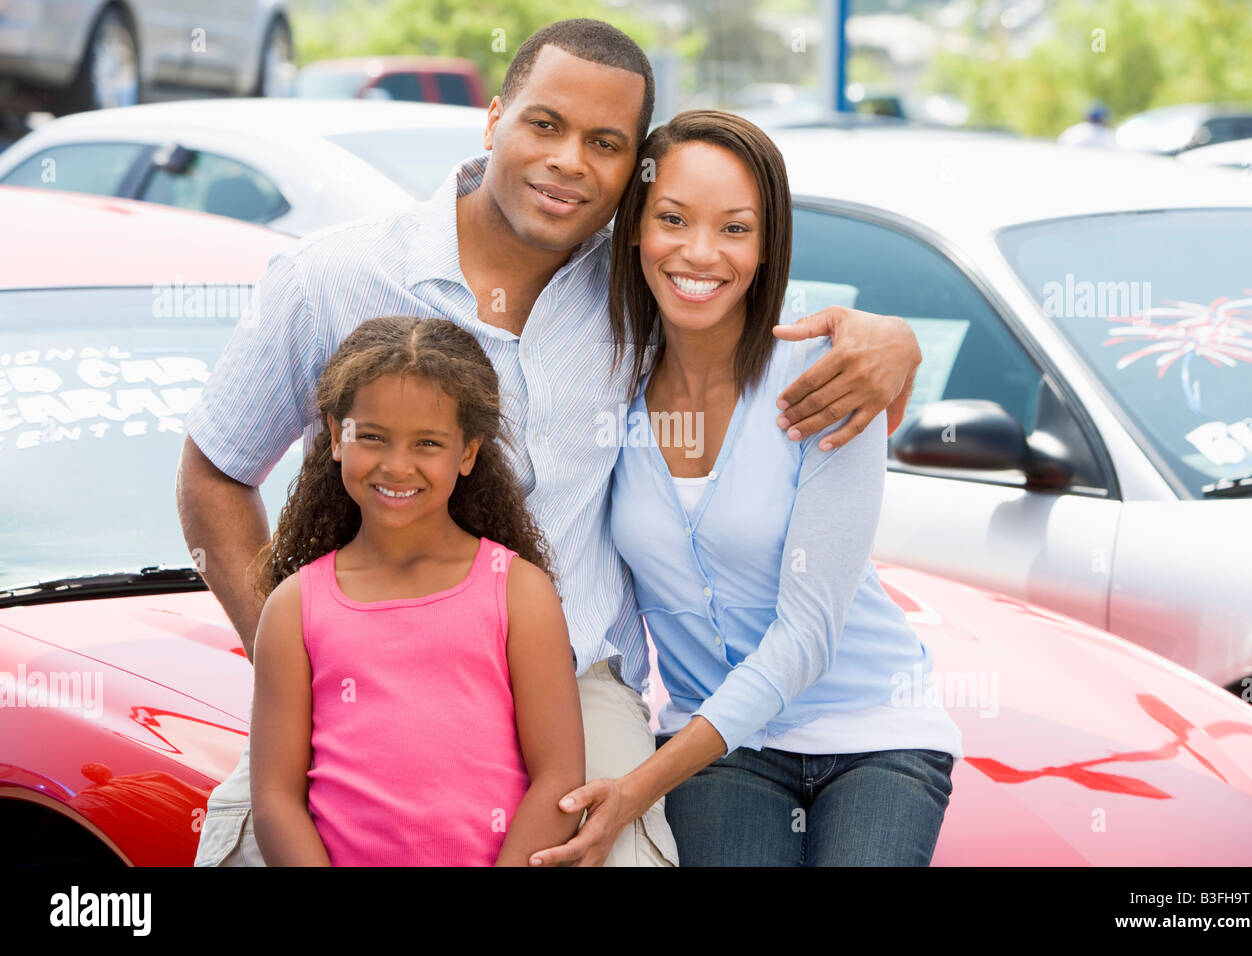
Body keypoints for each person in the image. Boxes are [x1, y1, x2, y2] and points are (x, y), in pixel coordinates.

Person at [180, 18, 923, 868]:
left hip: (577, 683)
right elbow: (213, 473)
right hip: (362, 673)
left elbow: (741, 296)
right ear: (493, 119)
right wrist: (291, 658)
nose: (570, 160)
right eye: (545, 124)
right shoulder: (332, 276)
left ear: (633, 172)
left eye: (604, 142)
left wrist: (892, 340)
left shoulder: (637, 286)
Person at [530, 111, 962, 867]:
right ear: (635, 228)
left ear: (767, 250)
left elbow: (807, 637)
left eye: (735, 229)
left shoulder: (831, 377)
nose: (700, 253)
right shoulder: (606, 390)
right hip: (721, 751)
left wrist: (635, 789)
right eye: (672, 219)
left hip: (875, 732)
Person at [248, 316, 582, 865]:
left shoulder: (519, 593)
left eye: (427, 443)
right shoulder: (295, 608)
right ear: (336, 436)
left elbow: (558, 780)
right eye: (372, 437)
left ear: (468, 452)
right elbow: (275, 802)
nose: (396, 465)